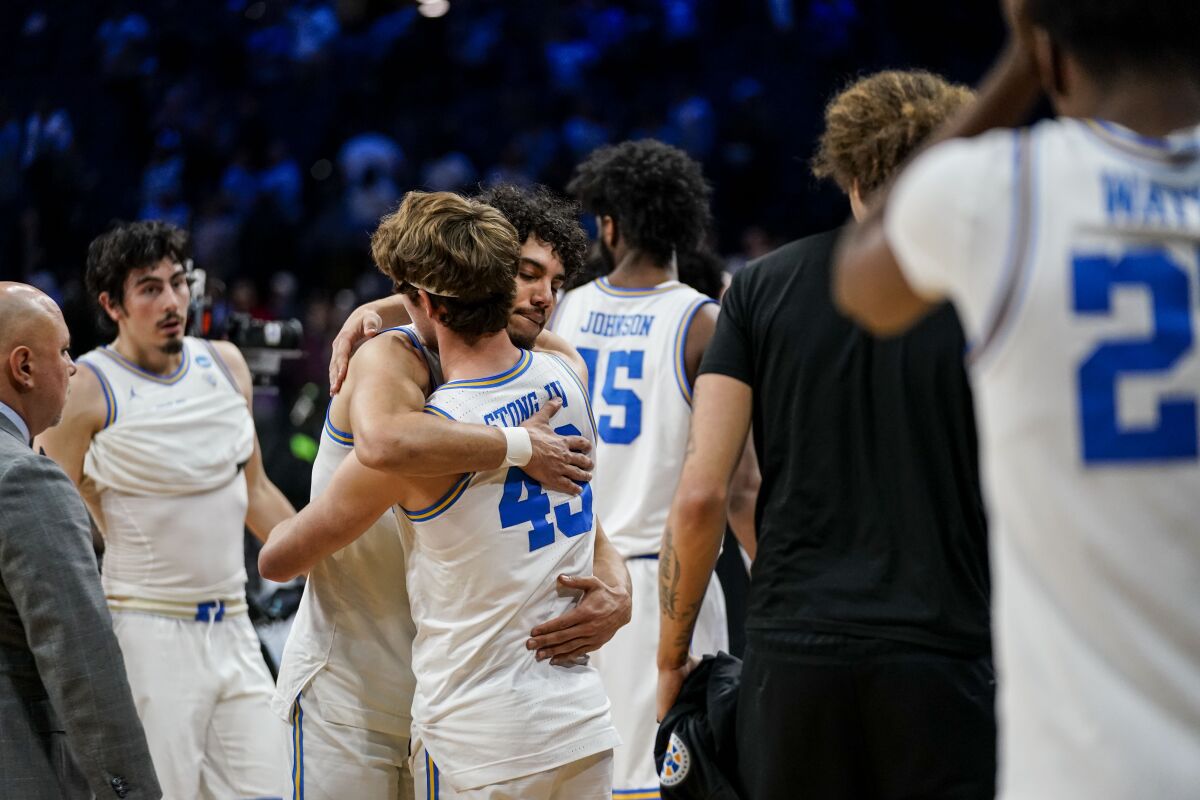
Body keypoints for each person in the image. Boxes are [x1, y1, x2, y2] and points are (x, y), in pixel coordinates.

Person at [834, 2, 1200, 796]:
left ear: (1052, 54)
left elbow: (863, 276)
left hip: (1089, 770)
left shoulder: (1003, 192)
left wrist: (1016, 64)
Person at [657, 71, 996, 800]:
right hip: (945, 650)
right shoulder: (984, 290)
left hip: (794, 654)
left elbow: (703, 493)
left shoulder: (758, 288)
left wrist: (670, 656)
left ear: (843, 167)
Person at [271, 185, 631, 799]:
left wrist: (620, 590)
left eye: (556, 280)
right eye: (525, 273)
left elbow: (579, 510)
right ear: (482, 273)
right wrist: (517, 444)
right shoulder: (389, 356)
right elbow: (386, 442)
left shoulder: (545, 363)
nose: (542, 295)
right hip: (357, 681)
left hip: (458, 693)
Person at [38, 221, 296, 799]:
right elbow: (54, 511)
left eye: (177, 283)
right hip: (146, 629)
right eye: (149, 288)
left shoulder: (225, 364)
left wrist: (330, 555)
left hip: (234, 624)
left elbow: (255, 490)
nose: (172, 301)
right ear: (112, 304)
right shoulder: (87, 385)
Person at [547, 139, 730, 799]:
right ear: (687, 226)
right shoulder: (702, 320)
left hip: (572, 578)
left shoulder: (563, 308)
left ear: (609, 225)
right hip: (663, 583)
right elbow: (739, 484)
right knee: (672, 786)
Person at [0, 282, 160, 800]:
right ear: (23, 367)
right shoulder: (26, 480)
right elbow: (82, 664)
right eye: (65, 351)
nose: (73, 367)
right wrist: (130, 792)